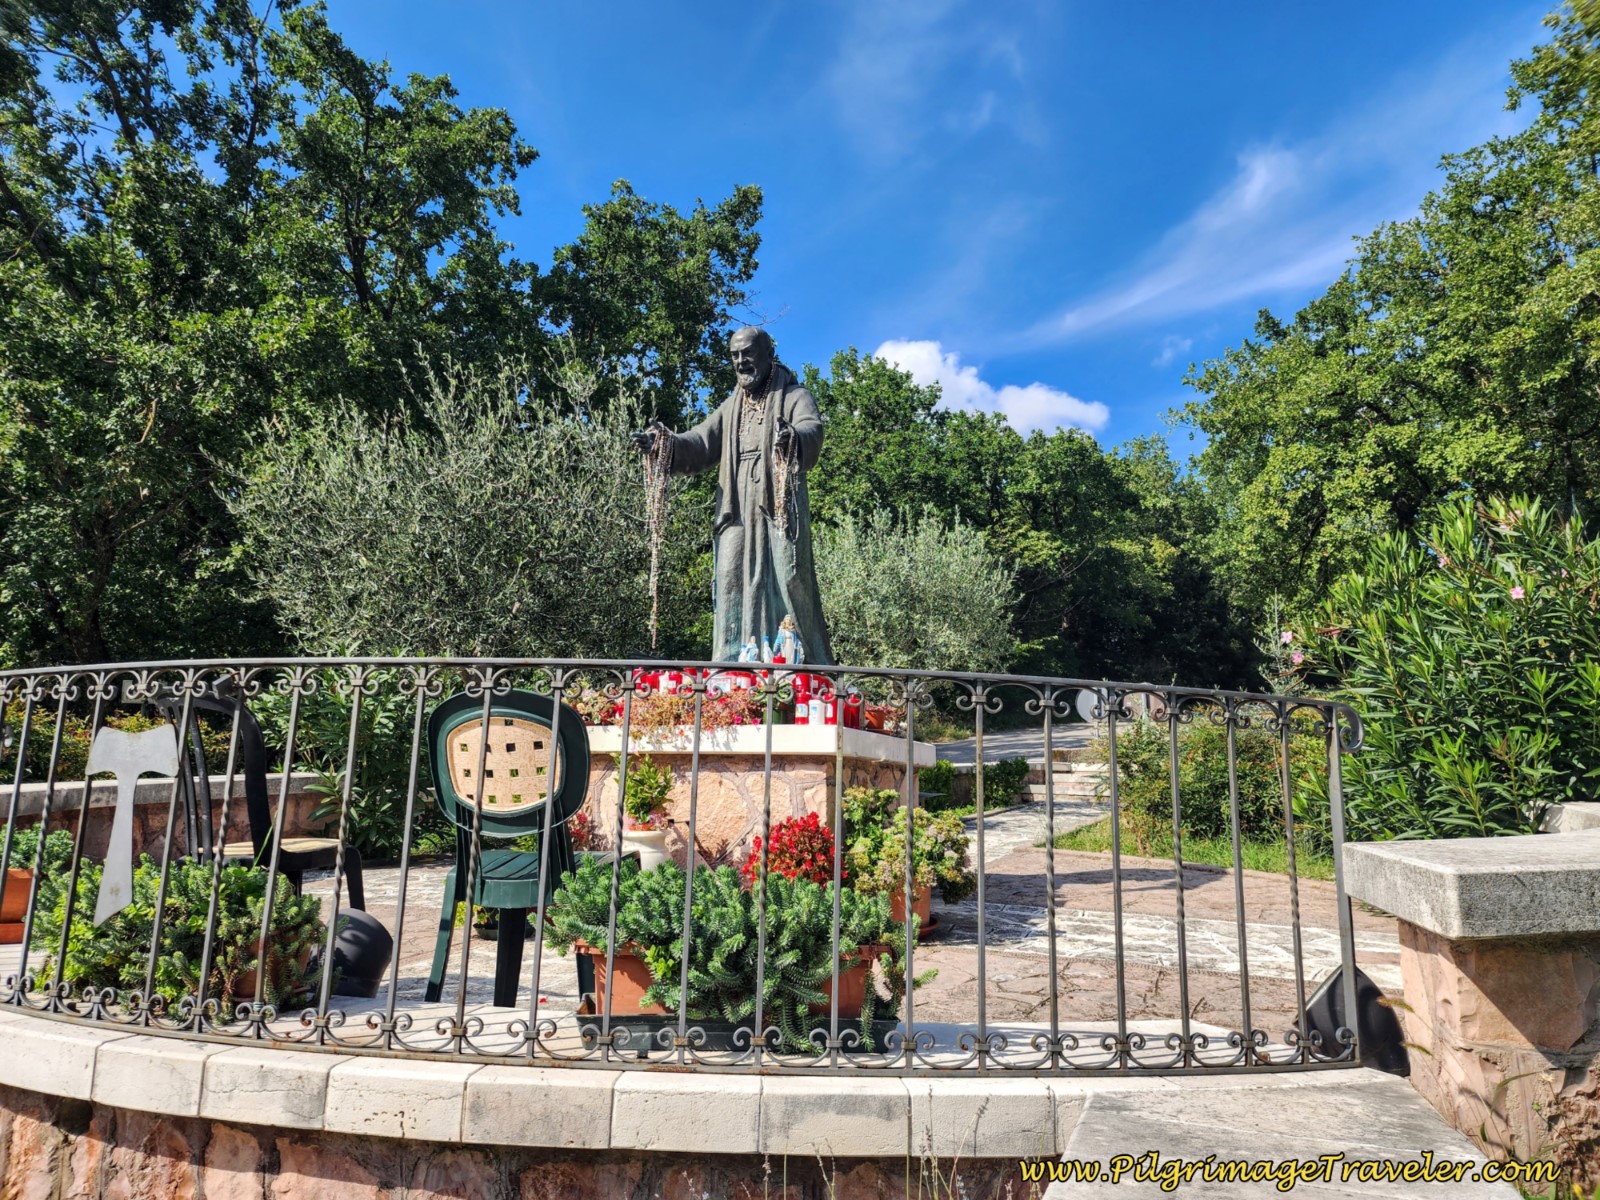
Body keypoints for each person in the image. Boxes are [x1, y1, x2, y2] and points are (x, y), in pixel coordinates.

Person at [635, 326, 834, 664]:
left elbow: (811, 428)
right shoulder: (732, 406)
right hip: (736, 503)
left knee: (788, 577)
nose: (741, 361)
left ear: (769, 355)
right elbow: (699, 442)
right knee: (729, 576)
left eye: (748, 353)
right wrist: (664, 443)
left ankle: (801, 662)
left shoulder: (794, 396)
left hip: (778, 501)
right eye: (735, 355)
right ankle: (729, 664)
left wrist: (793, 437)